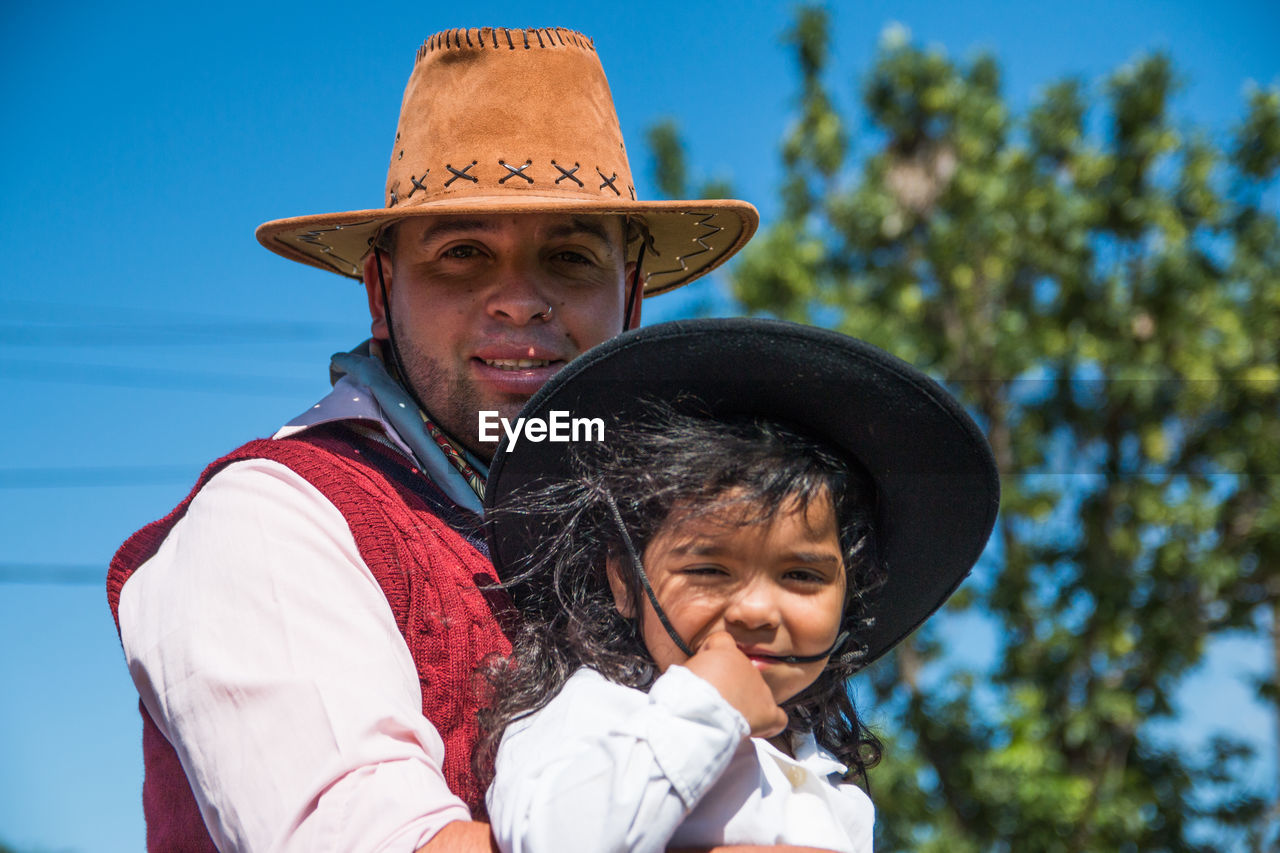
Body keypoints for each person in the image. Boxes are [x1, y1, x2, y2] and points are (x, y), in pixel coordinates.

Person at [105, 27, 760, 852]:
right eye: (462, 253)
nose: (521, 300)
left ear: (630, 301)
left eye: (570, 255)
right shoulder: (271, 521)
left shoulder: (660, 544)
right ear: (381, 292)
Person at [478, 319, 1001, 853]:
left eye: (802, 576)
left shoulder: (831, 782)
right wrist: (703, 708)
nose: (755, 611)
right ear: (624, 581)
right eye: (708, 570)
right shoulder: (591, 712)